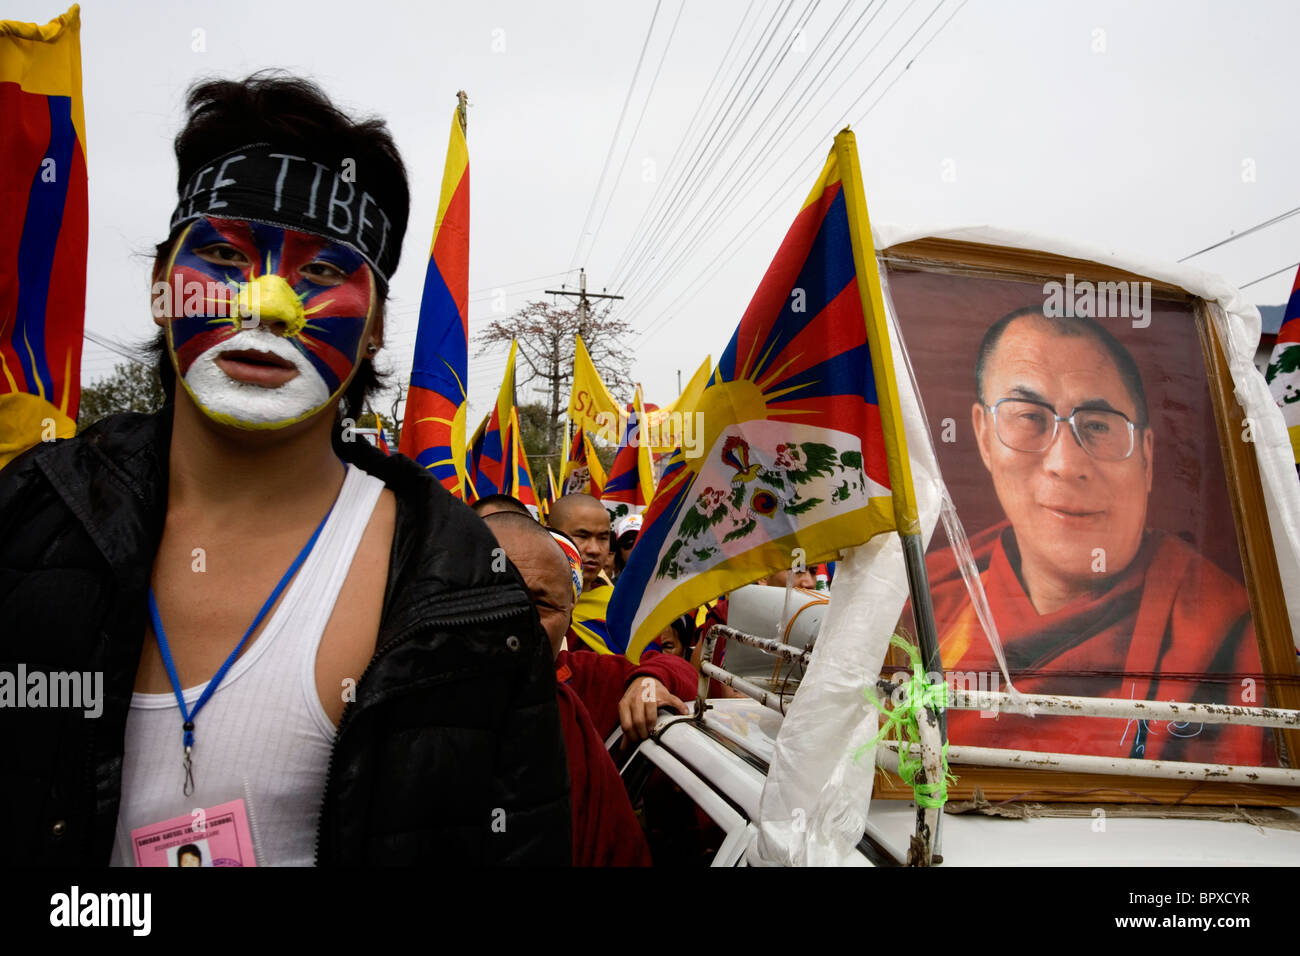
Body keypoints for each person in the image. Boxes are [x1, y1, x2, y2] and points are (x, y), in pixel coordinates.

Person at [0, 73, 569, 866]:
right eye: (227, 255)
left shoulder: (468, 592)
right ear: (163, 288)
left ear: (374, 330)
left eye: (323, 273)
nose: (267, 301)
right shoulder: (26, 521)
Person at [927, 306, 1270, 763]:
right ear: (985, 436)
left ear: (1146, 459)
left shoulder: (1232, 632)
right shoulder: (924, 601)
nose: (1066, 465)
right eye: (1029, 417)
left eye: (1098, 426)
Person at [483, 511, 658, 866]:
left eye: (541, 604)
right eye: (497, 593)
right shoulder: (396, 706)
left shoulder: (575, 690)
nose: (517, 617)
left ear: (568, 612)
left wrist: (649, 682)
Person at [547, 493, 612, 594]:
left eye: (602, 538)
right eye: (582, 536)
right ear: (551, 535)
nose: (594, 550)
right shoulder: (526, 600)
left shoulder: (619, 604)